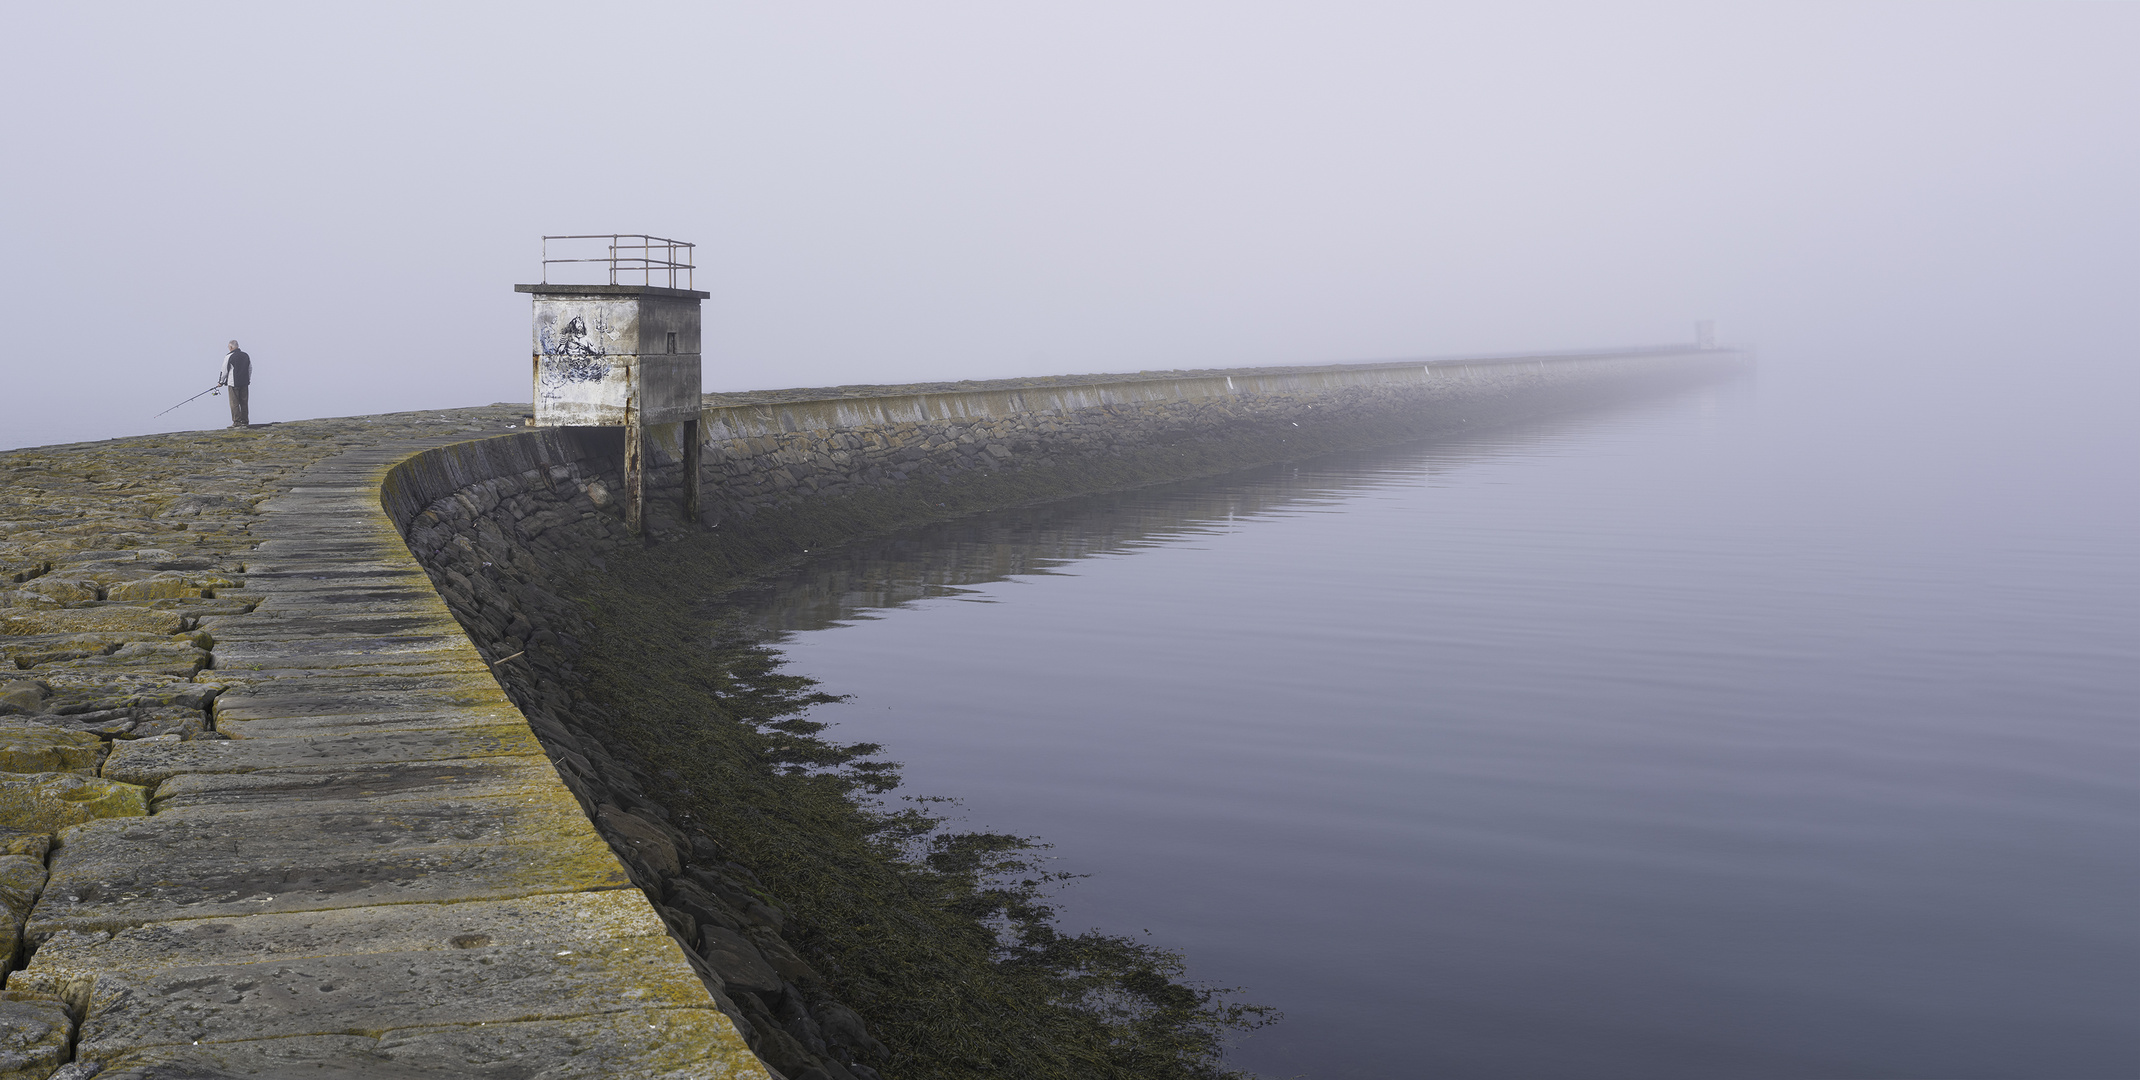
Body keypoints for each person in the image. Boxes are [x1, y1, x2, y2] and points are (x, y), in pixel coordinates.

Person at [219, 340, 252, 427]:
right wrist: (248, 379)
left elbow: (224, 370)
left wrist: (220, 382)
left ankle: (237, 422)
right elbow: (250, 368)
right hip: (244, 382)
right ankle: (245, 421)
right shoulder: (245, 355)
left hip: (233, 383)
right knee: (244, 402)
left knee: (234, 403)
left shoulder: (228, 356)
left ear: (231, 347)